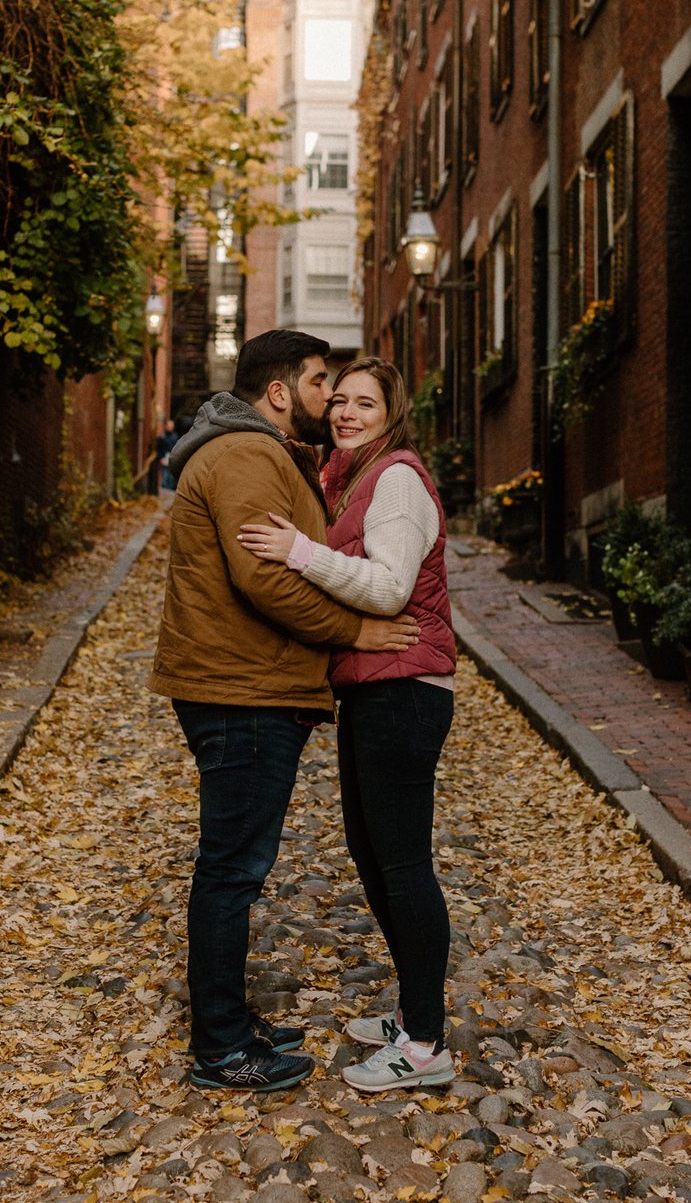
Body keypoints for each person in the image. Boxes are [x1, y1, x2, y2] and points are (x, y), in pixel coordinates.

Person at [148, 331, 421, 1094]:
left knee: (236, 864)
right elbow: (264, 579)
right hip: (242, 690)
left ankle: (230, 1021)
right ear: (277, 393)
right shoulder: (247, 455)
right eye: (317, 383)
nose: (328, 398)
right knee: (232, 868)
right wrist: (356, 630)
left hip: (247, 685)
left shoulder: (261, 454)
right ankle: (223, 1048)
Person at [238, 355, 457, 1093]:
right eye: (339, 400)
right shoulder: (350, 478)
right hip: (374, 690)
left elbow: (392, 588)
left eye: (365, 403)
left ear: (391, 413)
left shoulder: (394, 477)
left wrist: (300, 553)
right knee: (374, 857)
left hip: (407, 691)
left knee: (403, 865)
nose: (345, 412)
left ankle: (425, 1045)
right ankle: (413, 1012)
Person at [154, 418, 179, 492]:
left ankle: (170, 493)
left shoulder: (175, 436)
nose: (170, 427)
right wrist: (161, 457)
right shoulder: (162, 436)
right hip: (164, 459)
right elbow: (158, 448)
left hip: (172, 458)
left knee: (171, 477)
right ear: (166, 426)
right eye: (169, 426)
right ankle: (165, 493)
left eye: (172, 426)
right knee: (165, 477)